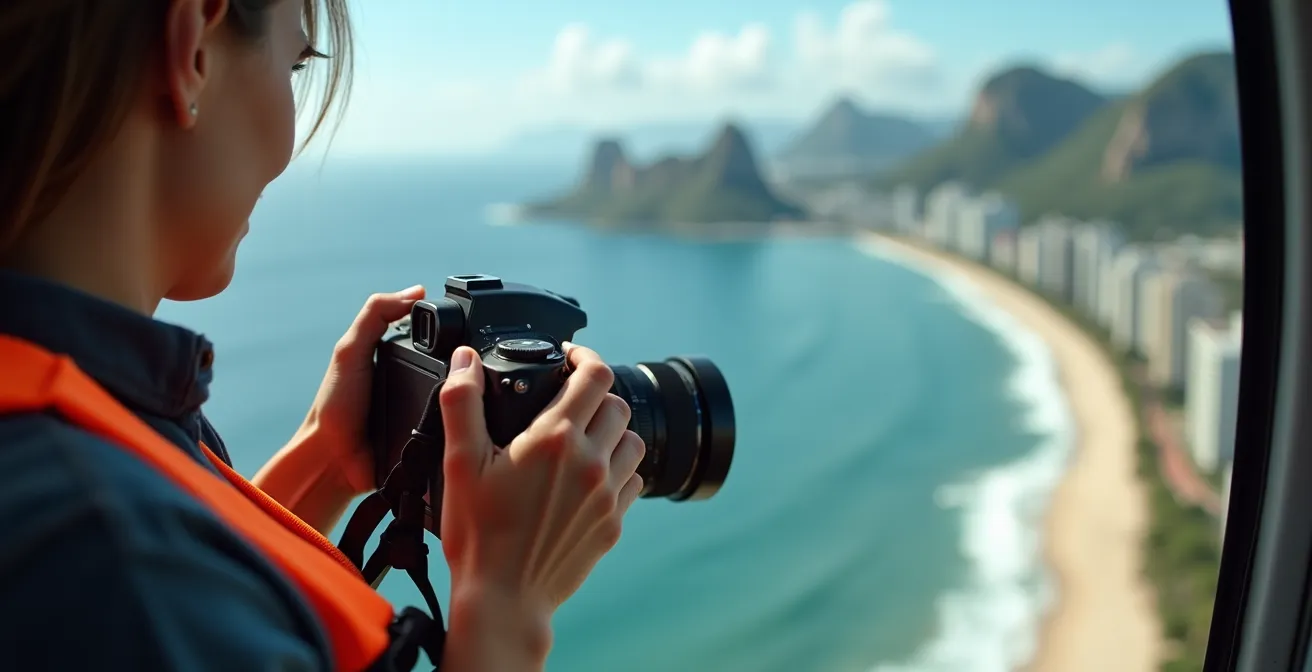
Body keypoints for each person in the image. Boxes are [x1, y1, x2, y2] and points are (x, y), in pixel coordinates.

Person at [0, 1, 647, 670]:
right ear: (192, 48)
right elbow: (152, 591)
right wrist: (507, 606)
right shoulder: (104, 553)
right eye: (293, 63)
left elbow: (208, 600)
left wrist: (329, 461)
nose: (293, 130)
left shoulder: (76, 431)